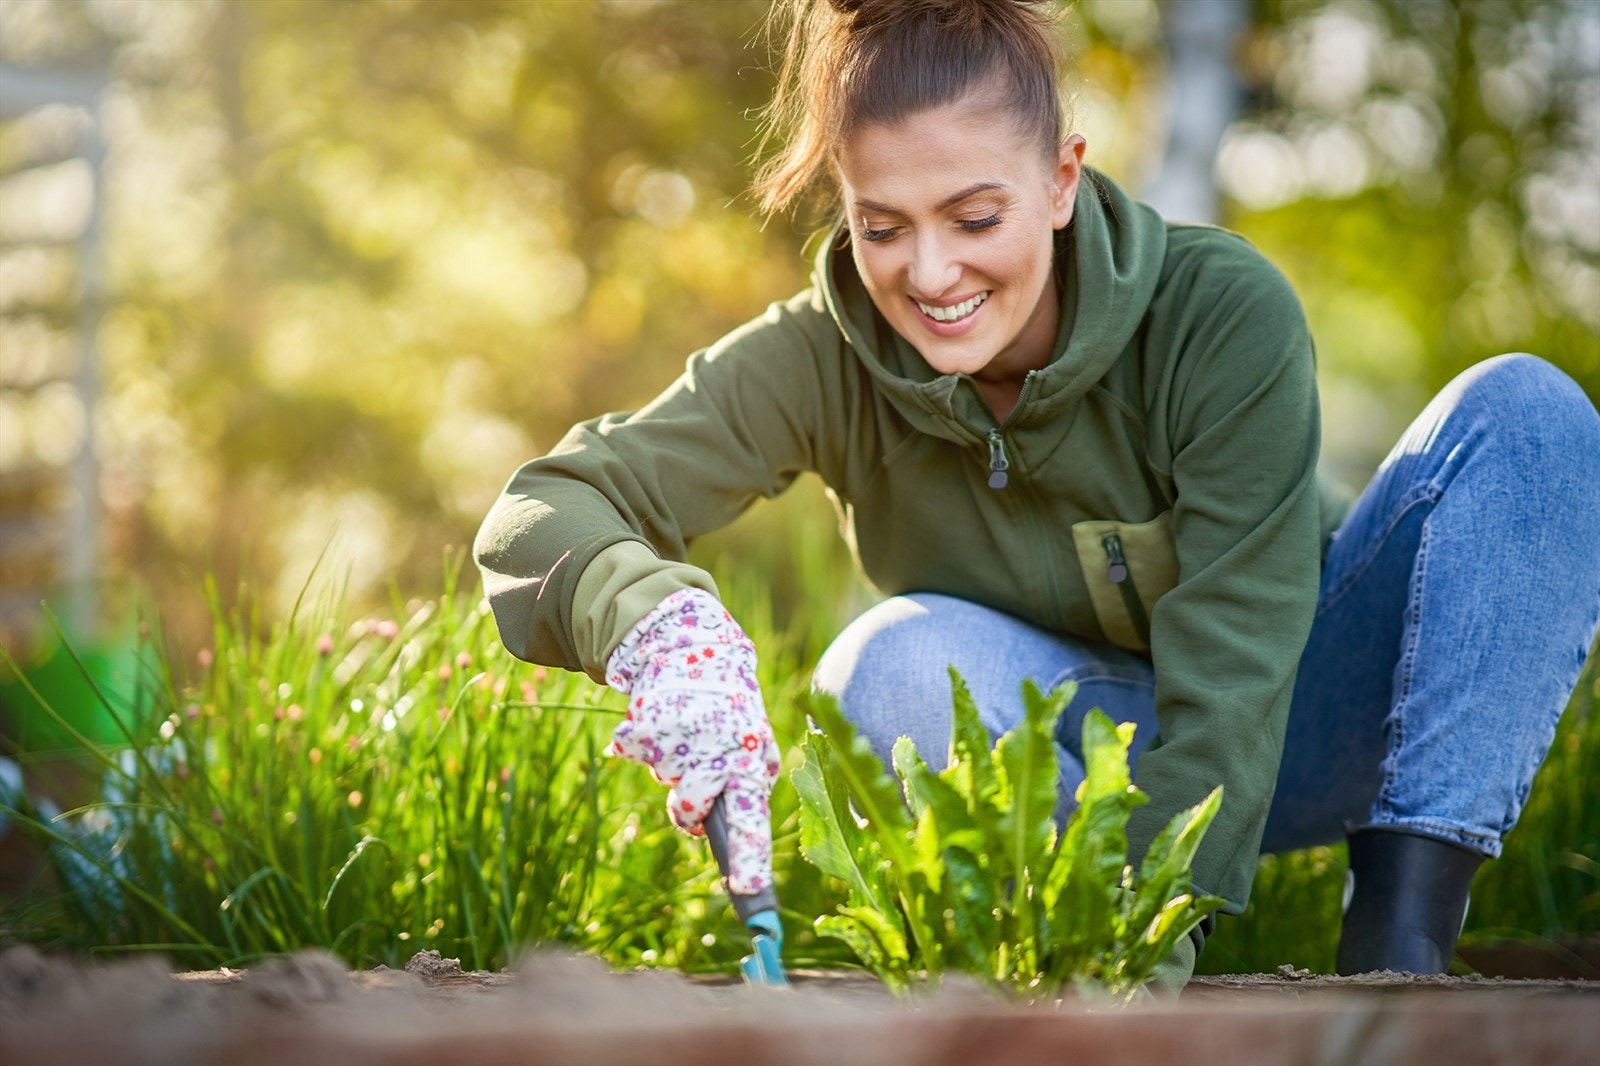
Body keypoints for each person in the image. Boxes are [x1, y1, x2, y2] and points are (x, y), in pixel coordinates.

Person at [474, 0, 1600, 990]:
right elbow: (544, 508)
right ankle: (1063, 949)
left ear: (1062, 180)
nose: (929, 275)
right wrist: (656, 629)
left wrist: (1157, 949)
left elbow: (1237, 658)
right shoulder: (823, 356)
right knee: (886, 665)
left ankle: (1399, 942)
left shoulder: (1216, 312)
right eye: (881, 227)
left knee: (1528, 410)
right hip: (1072, 755)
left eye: (974, 219)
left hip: (1312, 704)